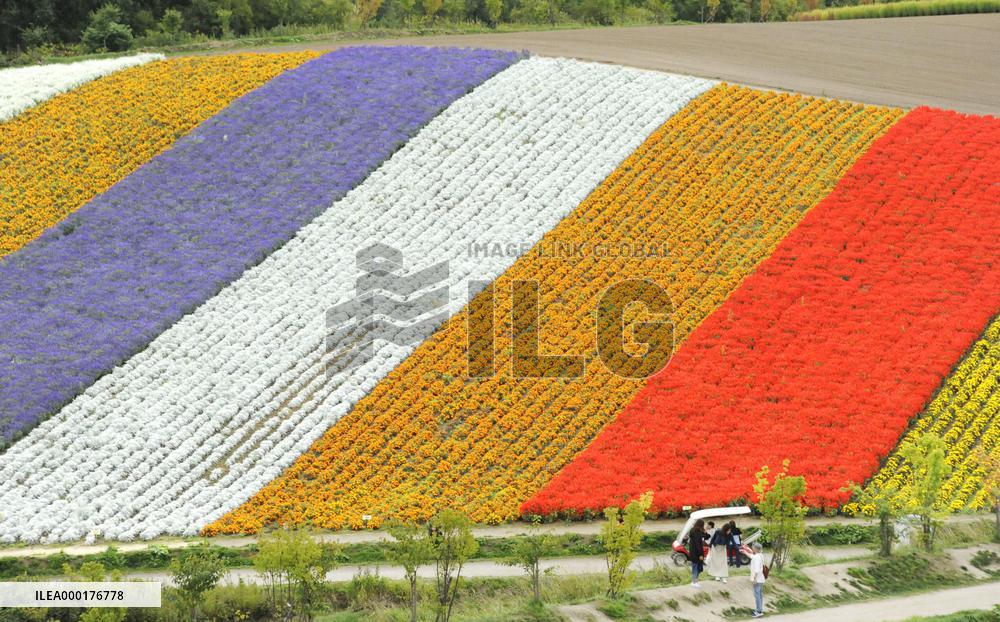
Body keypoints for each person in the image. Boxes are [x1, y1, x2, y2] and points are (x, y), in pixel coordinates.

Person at [688, 519, 708, 588]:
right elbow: (698, 545)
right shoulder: (696, 532)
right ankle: (694, 582)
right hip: (696, 553)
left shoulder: (693, 530)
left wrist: (705, 532)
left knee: (696, 567)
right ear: (700, 525)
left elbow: (706, 536)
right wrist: (700, 555)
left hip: (693, 552)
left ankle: (695, 581)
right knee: (696, 567)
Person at [749, 542, 766, 618]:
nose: (752, 548)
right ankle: (760, 609)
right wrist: (745, 552)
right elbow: (752, 556)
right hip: (761, 578)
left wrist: (754, 579)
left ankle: (758, 611)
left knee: (757, 595)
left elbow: (756, 570)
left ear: (755, 548)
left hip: (757, 579)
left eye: (753, 547)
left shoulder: (756, 557)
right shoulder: (760, 555)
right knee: (760, 595)